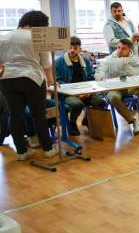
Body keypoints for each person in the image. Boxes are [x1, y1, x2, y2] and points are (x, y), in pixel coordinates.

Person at [0, 11, 58, 160]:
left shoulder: (5, 36)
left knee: (15, 115)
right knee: (38, 115)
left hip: (7, 79)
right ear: (40, 25)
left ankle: (22, 152)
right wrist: (50, 80)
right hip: (31, 78)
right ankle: (48, 149)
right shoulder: (37, 37)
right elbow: (46, 63)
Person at [95, 38, 139, 134]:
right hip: (115, 88)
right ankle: (133, 120)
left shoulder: (134, 60)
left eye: (123, 48)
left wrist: (125, 65)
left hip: (129, 87)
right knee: (113, 97)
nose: (120, 50)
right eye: (118, 47)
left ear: (129, 50)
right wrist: (99, 76)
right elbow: (101, 69)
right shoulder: (111, 58)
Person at [55, 36, 107, 135]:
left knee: (100, 102)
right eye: (70, 48)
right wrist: (75, 93)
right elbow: (58, 81)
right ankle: (72, 123)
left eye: (75, 48)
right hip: (66, 94)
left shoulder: (86, 61)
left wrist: (88, 92)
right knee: (77, 104)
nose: (72, 51)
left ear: (80, 49)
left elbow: (91, 78)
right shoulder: (59, 62)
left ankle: (87, 119)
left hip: (85, 92)